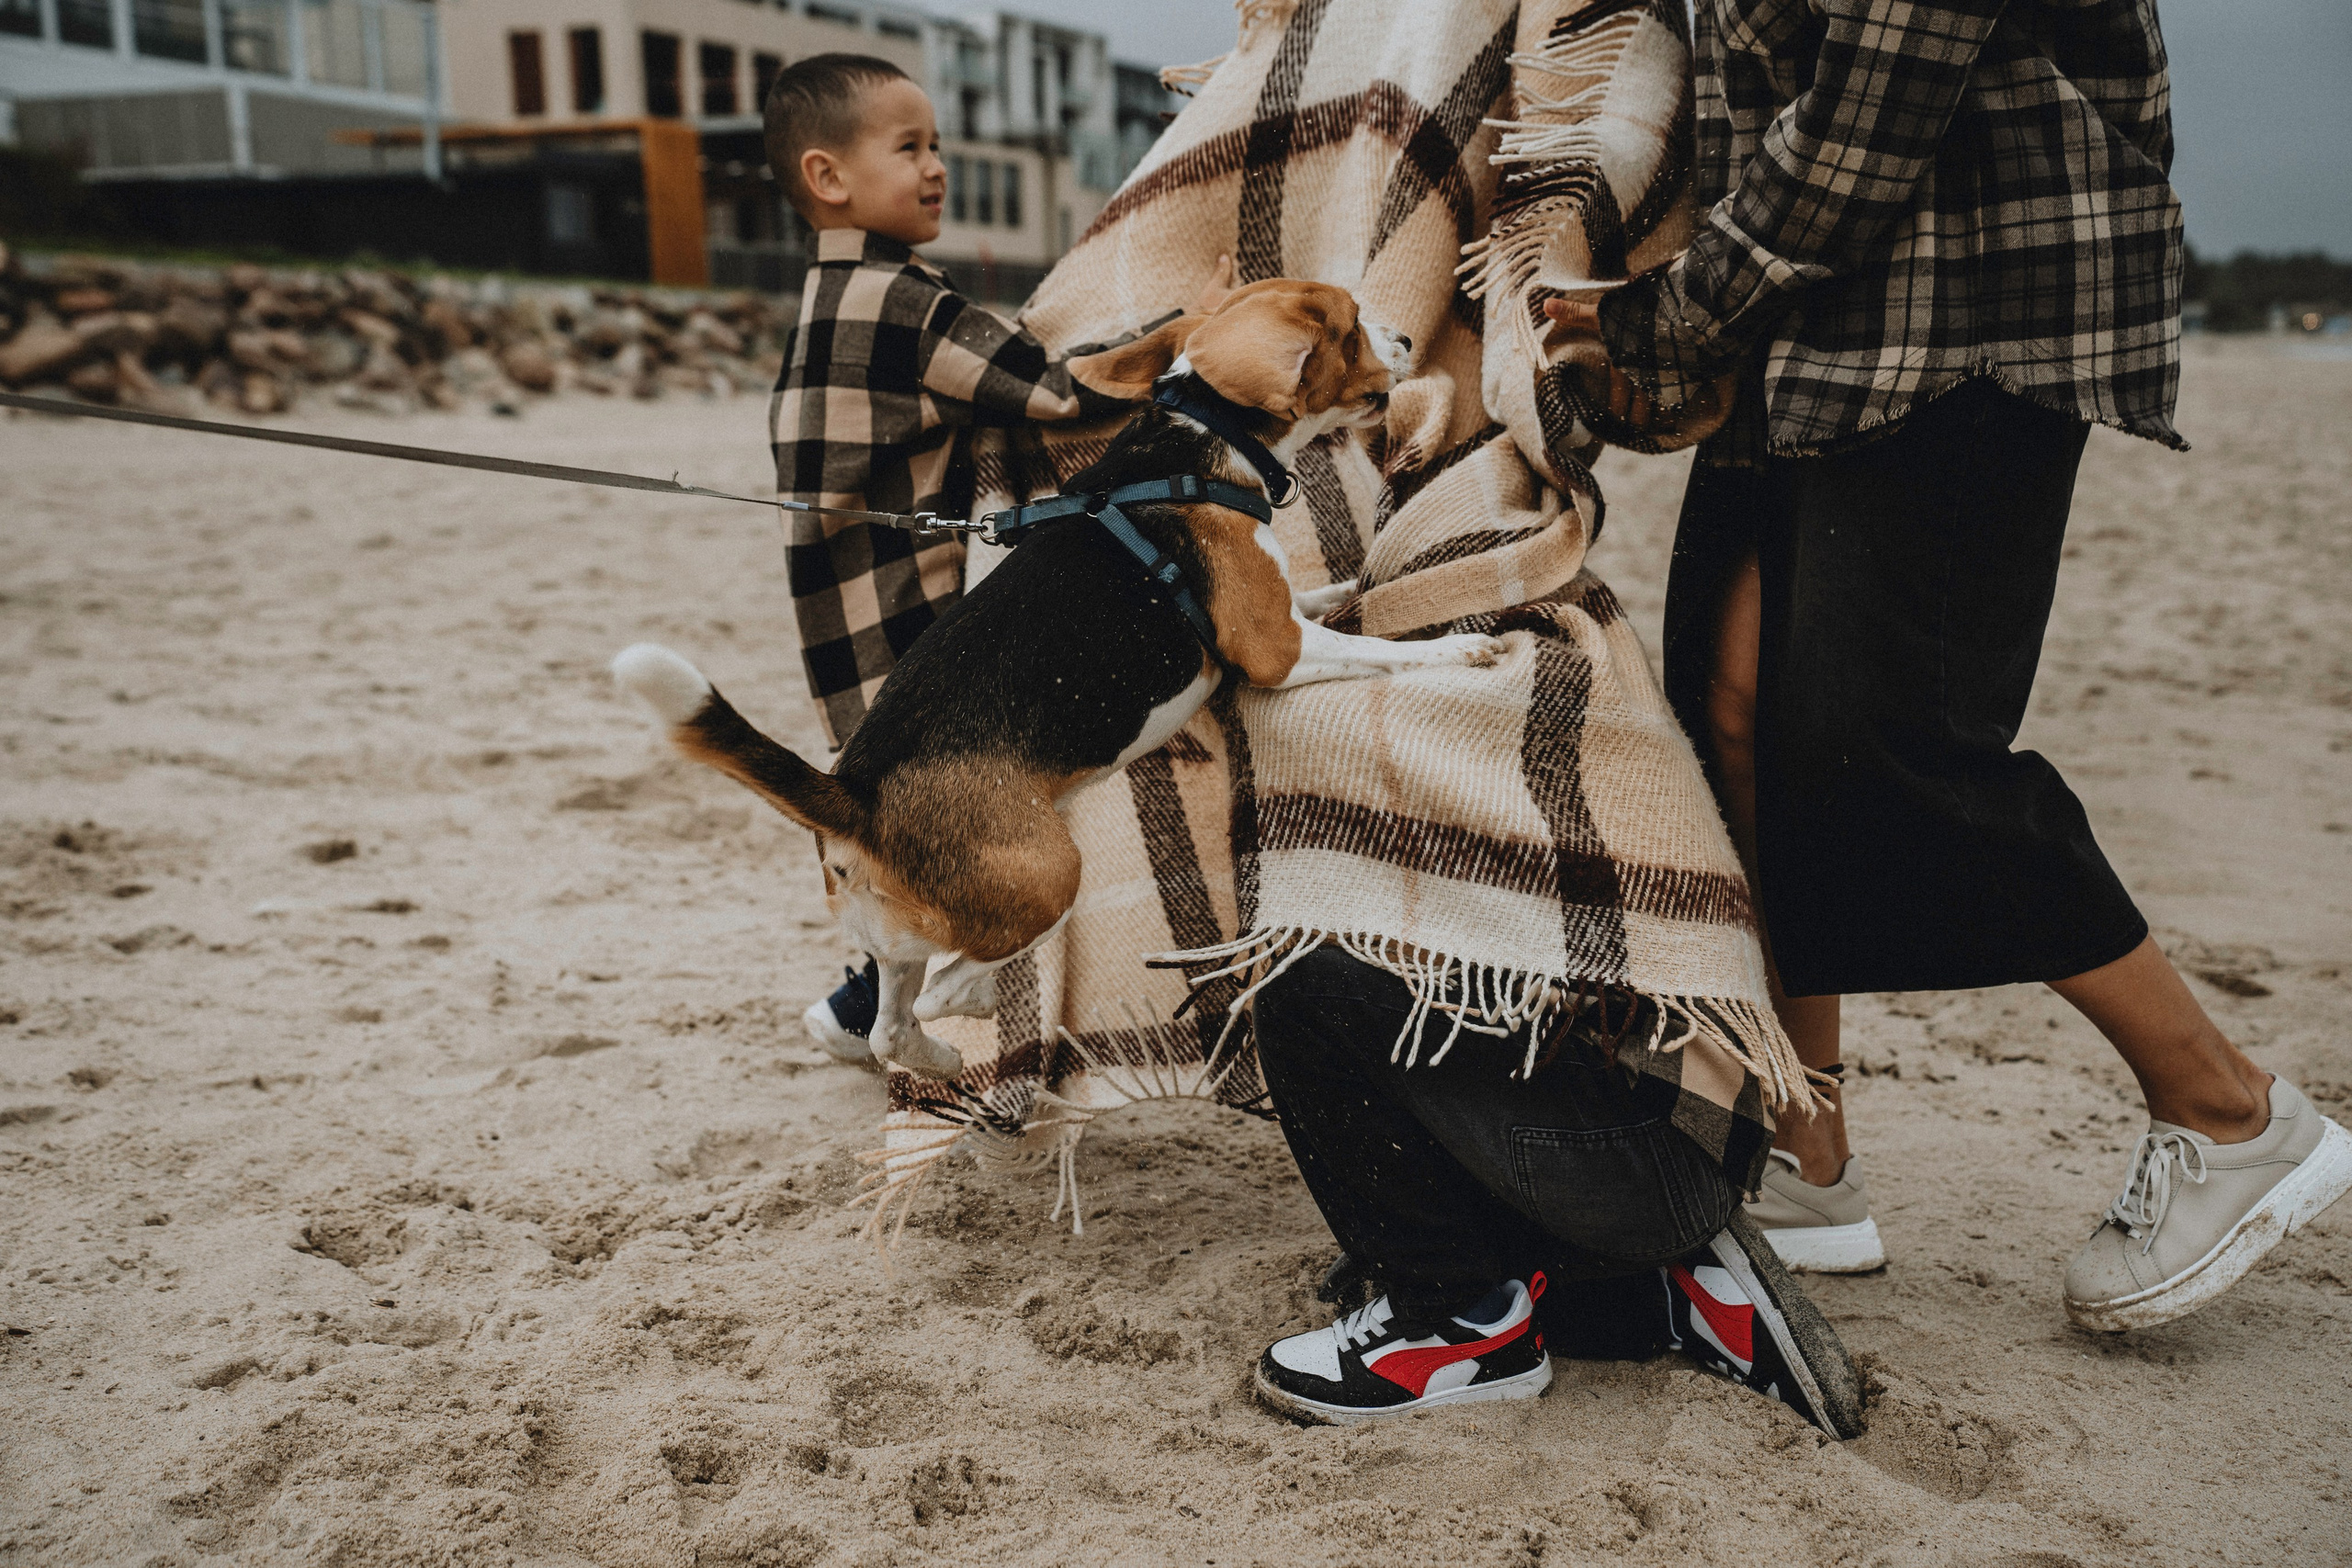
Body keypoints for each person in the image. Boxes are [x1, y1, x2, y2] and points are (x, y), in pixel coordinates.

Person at [1544, 0, 2352, 1327]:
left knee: (1882, 747)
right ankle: (1803, 1152)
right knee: (1729, 721)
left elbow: (1867, 119)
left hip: (1966, 305)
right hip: (1800, 328)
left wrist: (1662, 317)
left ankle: (2227, 1110)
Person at [757, 54, 1221, 1061]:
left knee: (888, 823)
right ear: (828, 176)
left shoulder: (823, 302)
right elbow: (1052, 388)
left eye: (936, 146)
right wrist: (1185, 335)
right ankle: (892, 1006)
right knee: (967, 823)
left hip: (841, 631)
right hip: (913, 623)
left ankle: (858, 1006)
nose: (937, 167)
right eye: (908, 148)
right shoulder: (904, 303)